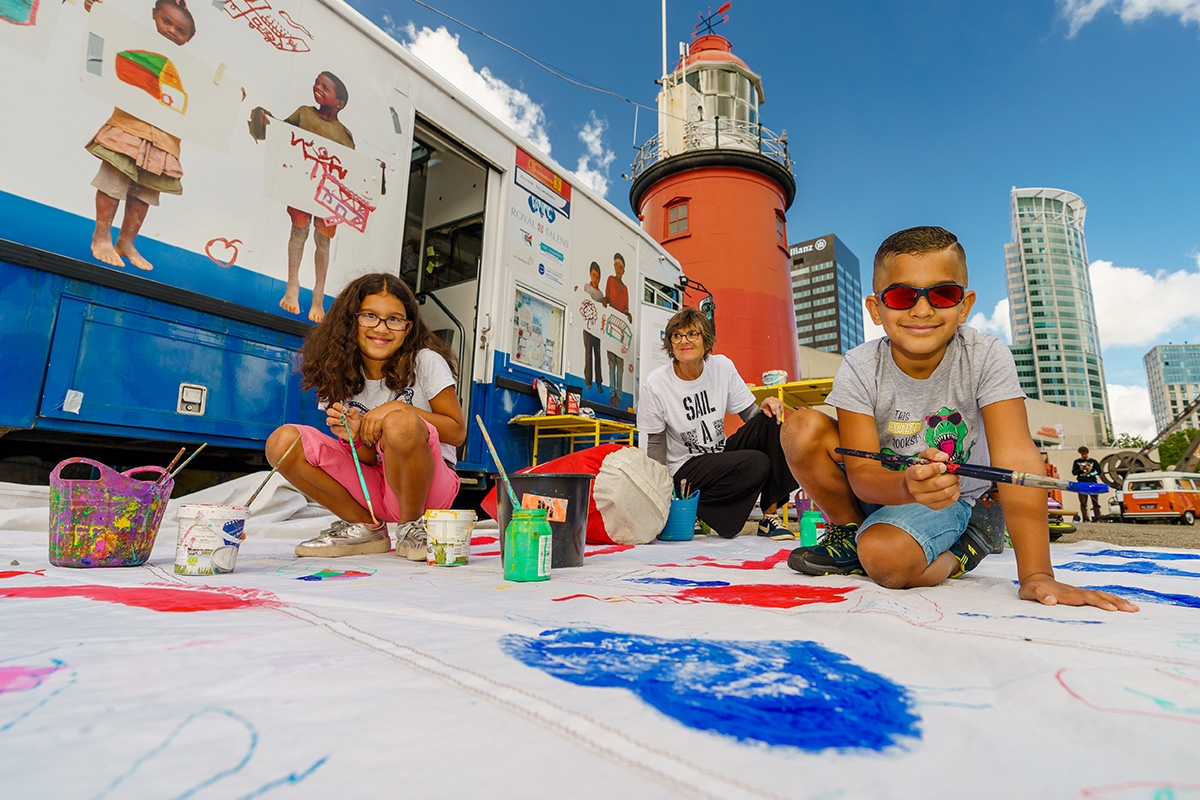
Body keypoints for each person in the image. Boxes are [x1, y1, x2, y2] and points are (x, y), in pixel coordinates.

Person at [780, 226, 1137, 611]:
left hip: (951, 499)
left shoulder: (985, 355)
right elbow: (862, 474)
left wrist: (1037, 576)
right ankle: (850, 533)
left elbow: (1016, 455)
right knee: (800, 427)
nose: (922, 309)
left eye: (943, 294)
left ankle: (968, 545)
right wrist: (907, 486)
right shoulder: (860, 365)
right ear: (876, 309)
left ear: (964, 305)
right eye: (901, 296)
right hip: (884, 491)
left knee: (885, 560)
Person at [264, 273, 466, 560]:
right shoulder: (336, 370)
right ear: (352, 321)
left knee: (400, 422)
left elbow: (457, 432)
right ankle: (364, 525)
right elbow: (368, 460)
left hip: (427, 490)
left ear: (408, 328)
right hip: (374, 488)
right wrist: (355, 437)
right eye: (370, 316)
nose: (381, 329)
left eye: (394, 319)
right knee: (281, 443)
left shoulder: (426, 361)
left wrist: (398, 409)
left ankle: (412, 528)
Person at [638, 307, 797, 539]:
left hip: (720, 455)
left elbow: (750, 415)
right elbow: (655, 445)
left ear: (706, 340)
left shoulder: (722, 366)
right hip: (684, 469)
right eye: (677, 335)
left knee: (770, 418)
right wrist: (661, 497)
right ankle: (695, 509)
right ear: (670, 343)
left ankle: (769, 516)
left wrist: (767, 407)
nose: (684, 341)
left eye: (692, 334)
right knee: (757, 462)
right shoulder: (656, 383)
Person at [85, 0, 196, 272]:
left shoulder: (192, 70)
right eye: (166, 21)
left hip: (164, 142)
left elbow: (205, 101)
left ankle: (126, 241)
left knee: (144, 194)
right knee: (113, 181)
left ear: (189, 38)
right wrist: (97, 13)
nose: (172, 31)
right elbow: (107, 41)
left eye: (181, 31)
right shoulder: (134, 42)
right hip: (128, 128)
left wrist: (229, 96)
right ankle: (101, 236)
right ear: (154, 16)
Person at [251, 72, 355, 323]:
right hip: (301, 183)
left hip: (328, 194)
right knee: (298, 231)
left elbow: (353, 169)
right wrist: (267, 121)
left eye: (325, 87)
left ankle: (318, 295)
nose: (317, 87)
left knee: (323, 241)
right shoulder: (304, 113)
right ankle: (292, 286)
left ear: (339, 103)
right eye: (317, 83)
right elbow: (281, 132)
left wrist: (377, 171)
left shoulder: (344, 134)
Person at [603, 252, 633, 406]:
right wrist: (604, 300)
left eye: (621, 266)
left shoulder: (625, 288)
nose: (618, 269)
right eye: (616, 265)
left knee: (619, 364)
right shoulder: (610, 280)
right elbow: (608, 297)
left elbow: (626, 308)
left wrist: (628, 315)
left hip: (620, 328)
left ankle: (618, 394)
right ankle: (612, 392)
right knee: (611, 362)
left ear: (624, 270)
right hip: (611, 324)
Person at [577, 261, 605, 394]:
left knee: (597, 355)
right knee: (588, 353)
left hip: (597, 329)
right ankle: (588, 381)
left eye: (598, 277)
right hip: (587, 327)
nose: (595, 279)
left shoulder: (601, 294)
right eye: (594, 275)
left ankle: (599, 382)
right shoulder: (586, 288)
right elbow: (582, 301)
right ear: (590, 274)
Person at [1071, 446, 1103, 522]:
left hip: (1092, 483)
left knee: (1095, 501)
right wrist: (1080, 469)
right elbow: (1074, 472)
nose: (1084, 456)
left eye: (1085, 454)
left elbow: (1098, 472)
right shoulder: (1076, 462)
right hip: (1082, 483)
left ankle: (1097, 518)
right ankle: (1085, 518)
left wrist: (1092, 470)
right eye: (1082, 454)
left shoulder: (1093, 462)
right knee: (1083, 502)